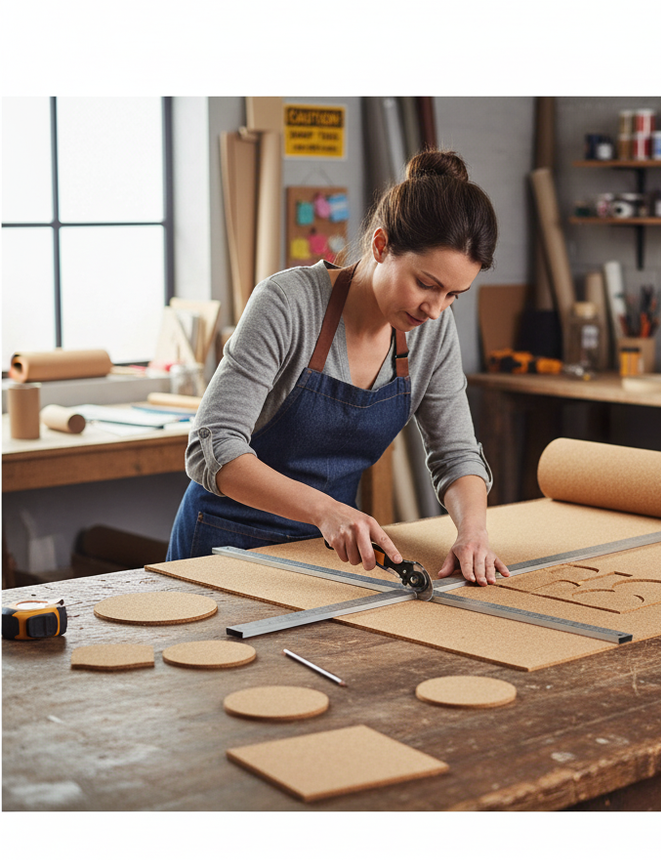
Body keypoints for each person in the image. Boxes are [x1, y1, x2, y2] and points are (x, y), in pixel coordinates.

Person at [167, 149, 509, 588]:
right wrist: (326, 510)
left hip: (324, 558)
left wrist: (473, 533)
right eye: (426, 284)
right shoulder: (287, 303)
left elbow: (457, 453)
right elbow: (212, 446)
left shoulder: (430, 331)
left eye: (453, 295)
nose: (436, 309)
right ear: (381, 245)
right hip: (222, 546)